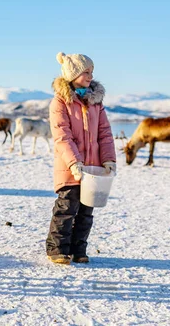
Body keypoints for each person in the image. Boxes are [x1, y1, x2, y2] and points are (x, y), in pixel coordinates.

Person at [45, 52, 116, 264]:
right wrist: (74, 162)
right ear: (72, 74)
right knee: (67, 207)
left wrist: (108, 160)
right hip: (70, 166)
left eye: (91, 72)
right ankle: (57, 249)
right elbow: (62, 135)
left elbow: (104, 133)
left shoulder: (96, 103)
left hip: (93, 168)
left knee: (86, 210)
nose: (90, 76)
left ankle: (78, 250)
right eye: (86, 72)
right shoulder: (60, 102)